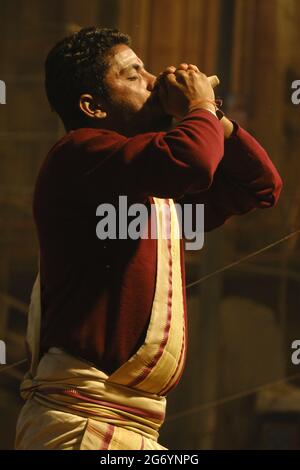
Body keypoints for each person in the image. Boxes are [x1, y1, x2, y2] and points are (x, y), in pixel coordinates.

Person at [15, 26, 282, 450]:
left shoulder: (150, 190)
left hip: (130, 427)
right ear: (93, 106)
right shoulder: (78, 156)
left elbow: (261, 186)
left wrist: (219, 121)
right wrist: (200, 105)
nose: (155, 82)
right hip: (82, 423)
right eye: (134, 74)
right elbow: (193, 162)